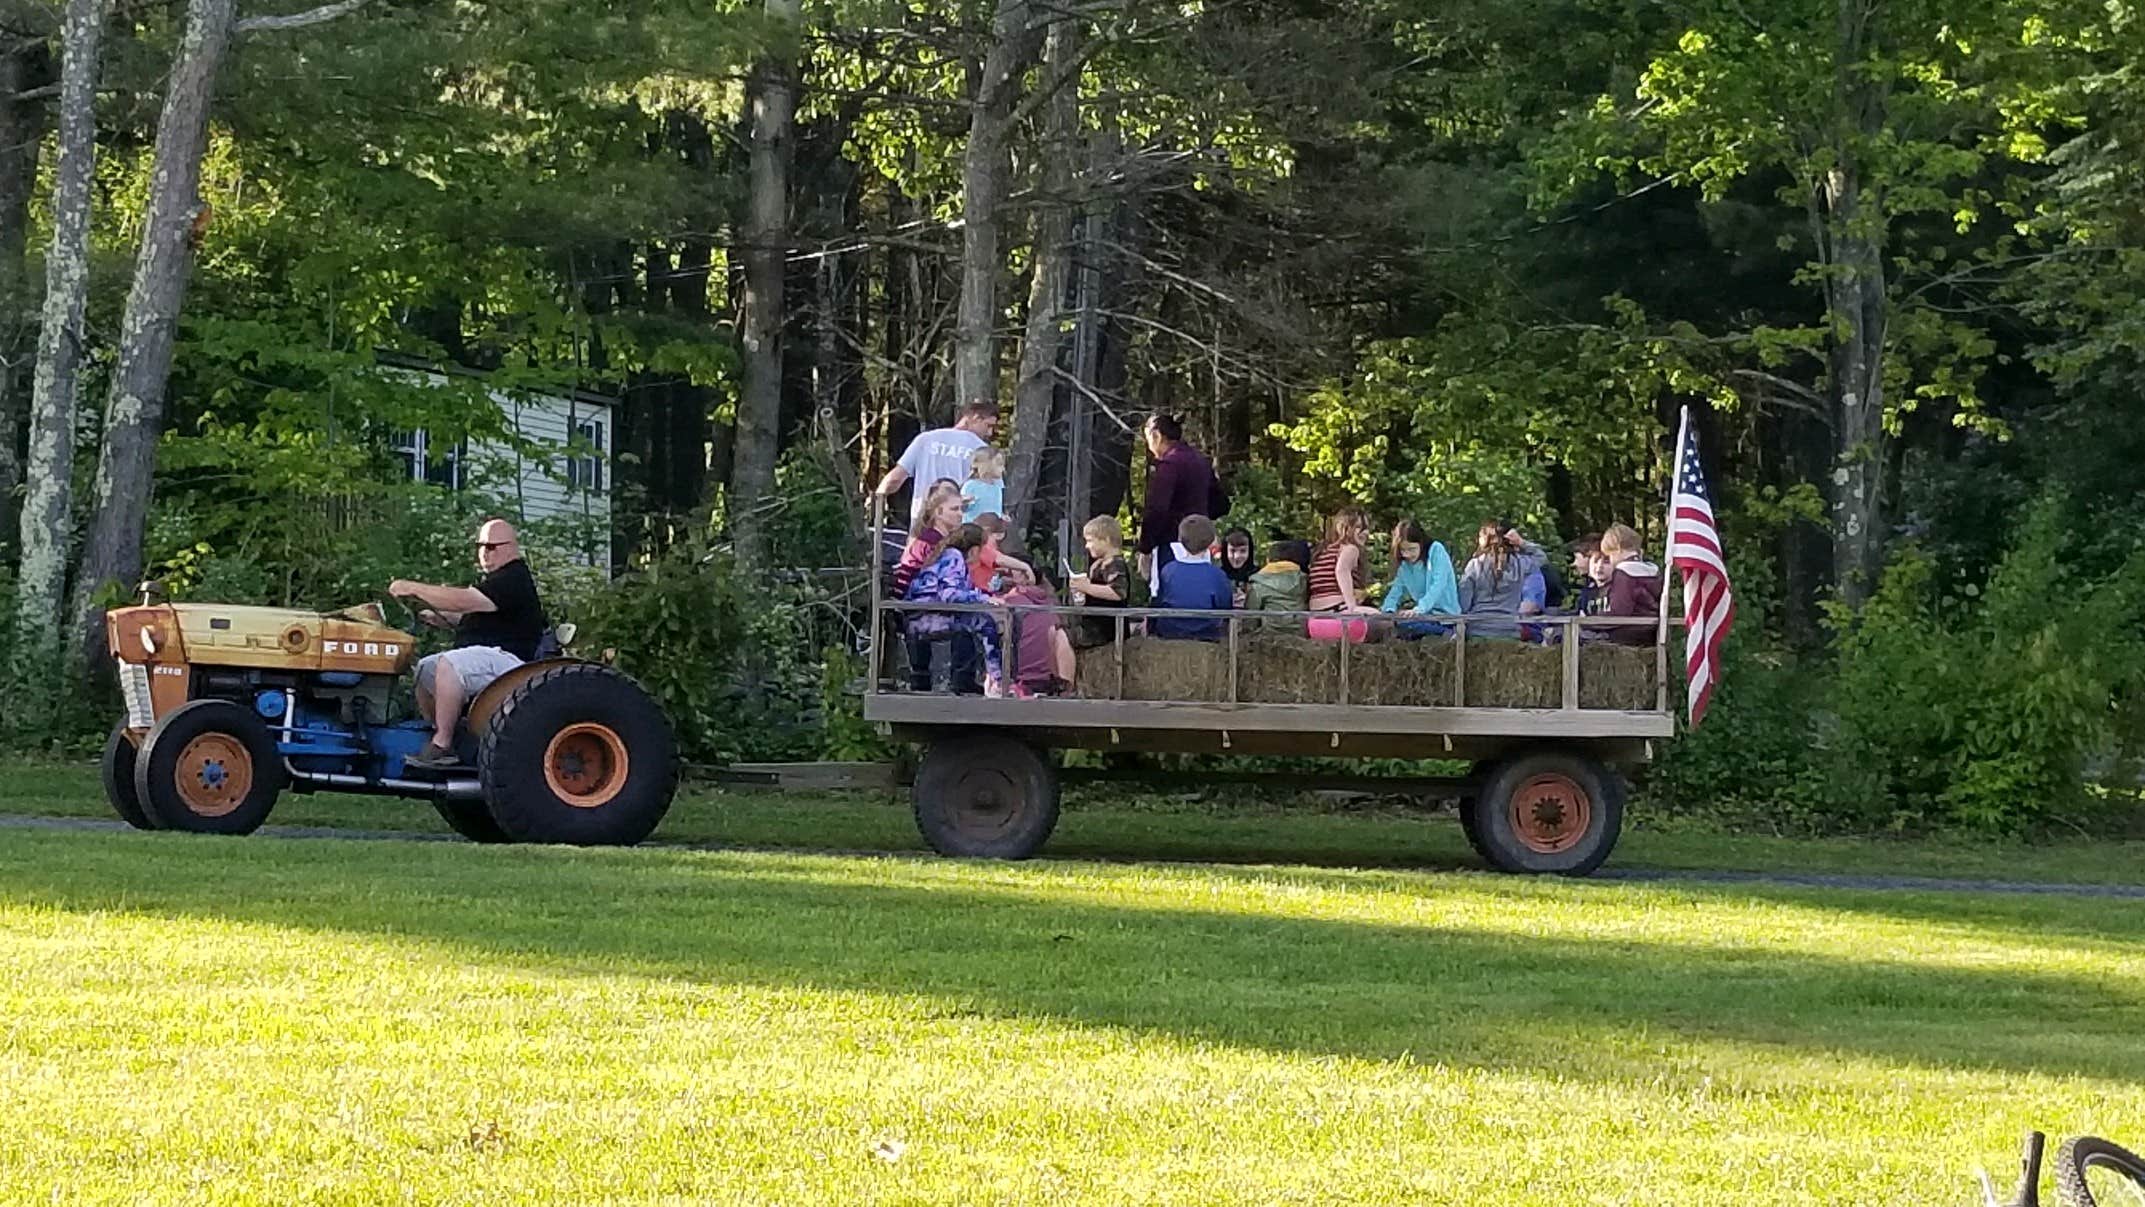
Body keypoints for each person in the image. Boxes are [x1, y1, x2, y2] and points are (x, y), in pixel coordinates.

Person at [390, 518, 547, 769]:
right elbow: (472, 615)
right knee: (425, 669)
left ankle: (442, 745)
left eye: (492, 546)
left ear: (511, 547)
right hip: (491, 655)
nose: (484, 552)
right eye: (480, 546)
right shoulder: (497, 581)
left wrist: (413, 588)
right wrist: (433, 615)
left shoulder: (512, 578)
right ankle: (444, 732)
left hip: (510, 662)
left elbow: (466, 601)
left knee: (449, 664)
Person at [903, 522, 1004, 692]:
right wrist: (983, 599)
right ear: (973, 549)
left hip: (924, 613)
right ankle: (996, 680)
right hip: (924, 617)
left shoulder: (947, 555)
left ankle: (974, 678)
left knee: (975, 621)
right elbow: (949, 595)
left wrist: (982, 597)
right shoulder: (954, 557)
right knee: (985, 623)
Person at [872, 399, 1000, 522]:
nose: (989, 433)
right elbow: (991, 491)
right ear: (976, 418)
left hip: (922, 518)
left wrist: (876, 499)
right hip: (959, 522)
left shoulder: (925, 440)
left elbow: (895, 478)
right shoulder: (983, 451)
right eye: (988, 426)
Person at [1137, 414, 1224, 590]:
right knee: (1198, 592)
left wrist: (1145, 547)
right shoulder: (1200, 461)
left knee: (1167, 594)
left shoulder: (1169, 465)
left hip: (1172, 544)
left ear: (1157, 436)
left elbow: (1157, 509)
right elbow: (1220, 502)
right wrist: (1203, 522)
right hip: (1201, 544)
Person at [996, 563, 1077, 696]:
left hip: (1016, 679)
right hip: (1048, 679)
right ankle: (1066, 687)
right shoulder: (1049, 603)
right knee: (1059, 635)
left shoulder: (1009, 600)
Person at [1456, 520, 1545, 640]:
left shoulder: (1475, 565)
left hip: (1478, 630)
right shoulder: (1520, 564)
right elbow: (1541, 557)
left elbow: (1463, 604)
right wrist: (1521, 542)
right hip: (1510, 630)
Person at [1150, 514, 1233, 641]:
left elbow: (1160, 600)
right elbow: (1225, 607)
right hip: (1206, 633)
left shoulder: (1168, 570)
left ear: (1180, 539)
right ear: (1211, 540)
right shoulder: (1218, 575)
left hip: (1170, 631)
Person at [1306, 507, 1377, 641]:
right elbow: (1341, 570)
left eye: (1366, 528)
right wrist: (1352, 606)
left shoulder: (1322, 551)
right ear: (1344, 528)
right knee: (1385, 621)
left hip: (1315, 623)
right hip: (1341, 619)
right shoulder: (1350, 549)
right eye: (1358, 527)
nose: (1365, 532)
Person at [1596, 522, 1665, 646]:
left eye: (1609, 555)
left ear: (1618, 549)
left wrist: (1590, 621)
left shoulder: (1624, 573)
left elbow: (1619, 612)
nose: (1611, 560)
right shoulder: (1653, 571)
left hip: (1628, 635)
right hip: (1652, 632)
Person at [1068, 515, 1131, 649]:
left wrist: (1087, 587)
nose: (1086, 546)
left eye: (1090, 541)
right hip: (1093, 623)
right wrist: (1080, 592)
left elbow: (1118, 592)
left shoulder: (1115, 565)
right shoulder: (1097, 565)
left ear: (1106, 540)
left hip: (1108, 629)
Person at [1244, 539, 1310, 631]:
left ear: (1269, 560)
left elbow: (1250, 621)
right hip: (1301, 638)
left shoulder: (1258, 584)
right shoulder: (1305, 580)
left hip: (1268, 638)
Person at [968, 512, 1034, 592]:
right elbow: (1000, 560)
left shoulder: (989, 552)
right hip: (978, 594)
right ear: (998, 535)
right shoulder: (982, 547)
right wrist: (1025, 567)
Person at [962, 447, 1007, 523]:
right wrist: (965, 502)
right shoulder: (971, 485)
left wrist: (1002, 516)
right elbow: (963, 508)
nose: (1003, 469)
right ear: (986, 465)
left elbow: (995, 509)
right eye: (999, 464)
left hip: (992, 530)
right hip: (974, 529)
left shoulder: (997, 487)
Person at [1219, 526, 1257, 608]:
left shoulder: (1258, 577)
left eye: (1243, 551)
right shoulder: (1217, 576)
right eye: (1232, 551)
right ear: (1225, 551)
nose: (1237, 556)